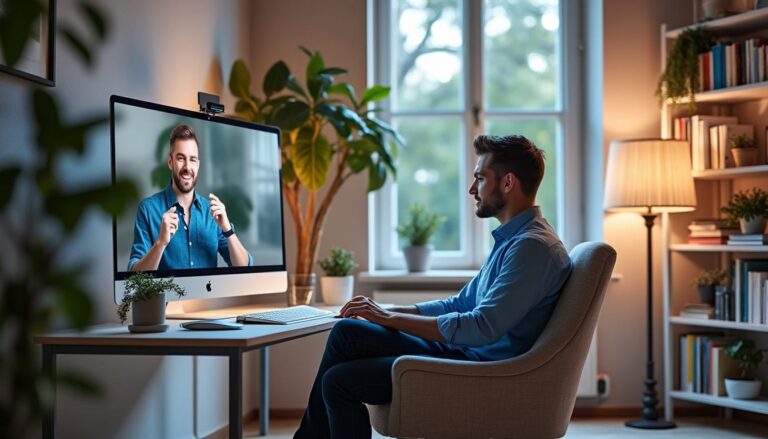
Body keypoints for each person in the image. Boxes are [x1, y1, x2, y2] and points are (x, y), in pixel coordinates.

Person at [294, 134, 573, 439]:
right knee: (347, 332)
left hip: (478, 365)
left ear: (508, 182)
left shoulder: (532, 247)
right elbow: (460, 304)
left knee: (338, 380)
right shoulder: (515, 239)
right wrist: (389, 310)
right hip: (465, 351)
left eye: (480, 178)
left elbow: (482, 327)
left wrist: (389, 319)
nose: (472, 189)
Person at [128, 124, 252, 271]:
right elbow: (134, 277)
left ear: (198, 165)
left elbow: (244, 268)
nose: (187, 167)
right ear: (170, 162)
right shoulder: (148, 209)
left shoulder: (212, 212)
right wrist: (160, 243)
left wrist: (227, 229)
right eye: (181, 158)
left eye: (192, 159)